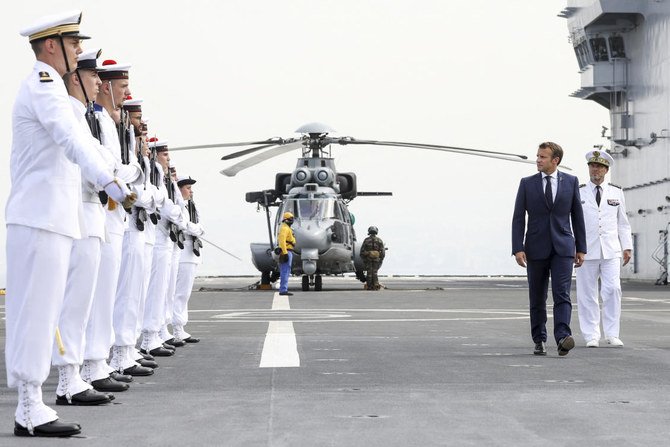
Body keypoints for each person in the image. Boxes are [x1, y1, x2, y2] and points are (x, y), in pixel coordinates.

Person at [6, 10, 134, 438]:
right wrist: (110, 181)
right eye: (73, 43)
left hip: (55, 218)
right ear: (50, 46)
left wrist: (112, 179)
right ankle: (28, 405)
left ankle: (35, 402)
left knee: (46, 313)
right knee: (35, 313)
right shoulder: (43, 85)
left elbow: (81, 140)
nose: (78, 51)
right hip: (38, 216)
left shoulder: (54, 92)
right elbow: (70, 136)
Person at [512, 141, 586, 356]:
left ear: (555, 160)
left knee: (562, 293)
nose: (538, 160)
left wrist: (581, 247)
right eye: (537, 156)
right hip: (535, 247)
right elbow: (518, 218)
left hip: (563, 247)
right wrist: (518, 247)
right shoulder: (527, 183)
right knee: (537, 297)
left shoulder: (571, 182)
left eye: (542, 157)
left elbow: (577, 216)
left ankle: (563, 336)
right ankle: (539, 339)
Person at [576, 150, 633, 348]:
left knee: (613, 289)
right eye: (592, 166)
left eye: (599, 166)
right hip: (585, 250)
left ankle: (612, 333)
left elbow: (623, 223)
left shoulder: (616, 192)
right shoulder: (579, 191)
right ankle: (591, 335)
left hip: (611, 250)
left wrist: (627, 246)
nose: (595, 169)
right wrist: (574, 247)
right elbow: (571, 221)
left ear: (606, 170)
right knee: (587, 293)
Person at [172, 175, 205, 342]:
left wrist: (196, 229)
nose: (191, 191)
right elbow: (184, 225)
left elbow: (199, 226)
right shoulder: (178, 206)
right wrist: (196, 229)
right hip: (183, 252)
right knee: (179, 293)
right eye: (187, 188)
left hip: (192, 253)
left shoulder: (191, 206)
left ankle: (180, 327)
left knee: (185, 293)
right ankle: (176, 328)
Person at [360, 226, 386, 290]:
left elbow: (362, 252)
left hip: (368, 259)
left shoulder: (366, 240)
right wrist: (380, 259)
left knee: (369, 273)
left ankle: (369, 286)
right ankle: (376, 285)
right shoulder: (379, 240)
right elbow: (382, 252)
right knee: (375, 272)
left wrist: (365, 259)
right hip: (376, 260)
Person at [277, 212, 296, 296]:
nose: (292, 221)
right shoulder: (285, 228)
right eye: (291, 219)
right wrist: (284, 253)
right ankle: (283, 290)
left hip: (288, 251)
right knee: (285, 271)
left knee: (286, 270)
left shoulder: (286, 227)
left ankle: (283, 289)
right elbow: (282, 241)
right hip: (286, 251)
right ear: (287, 219)